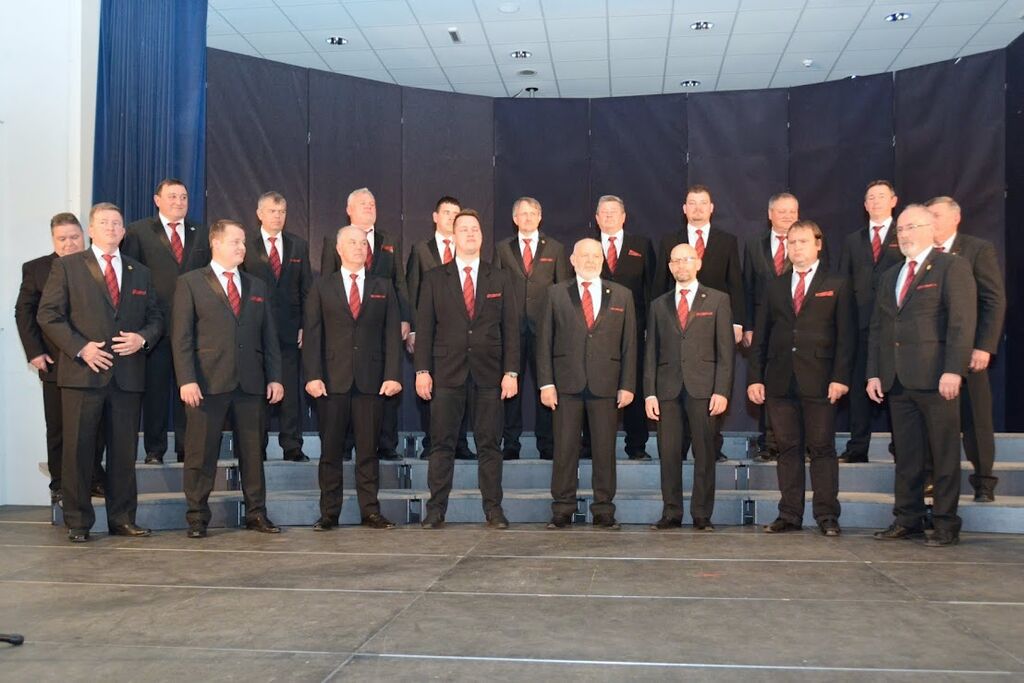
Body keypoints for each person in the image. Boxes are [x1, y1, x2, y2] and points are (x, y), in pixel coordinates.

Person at [37, 203, 163, 542]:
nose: (111, 227)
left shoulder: (140, 272)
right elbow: (48, 315)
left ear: (124, 231)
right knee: (78, 451)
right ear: (91, 230)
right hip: (83, 375)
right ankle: (78, 522)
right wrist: (81, 347)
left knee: (123, 454)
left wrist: (142, 338)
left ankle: (122, 519)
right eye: (104, 222)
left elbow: (156, 318)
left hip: (127, 377)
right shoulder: (67, 267)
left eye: (117, 223)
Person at [868, 205, 976, 547]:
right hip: (897, 380)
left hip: (936, 378)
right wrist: (874, 373)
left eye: (911, 227)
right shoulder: (891, 275)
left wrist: (953, 369)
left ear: (931, 229)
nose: (904, 235)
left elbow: (961, 323)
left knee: (944, 454)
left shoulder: (951, 266)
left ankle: (945, 523)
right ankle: (908, 519)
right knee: (907, 455)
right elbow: (879, 328)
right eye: (900, 230)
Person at [172, 219, 284, 538]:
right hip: (206, 383)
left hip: (250, 383)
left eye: (244, 242)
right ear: (216, 243)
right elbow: (181, 337)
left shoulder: (256, 286)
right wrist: (186, 379)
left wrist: (275, 377)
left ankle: (256, 514)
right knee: (201, 453)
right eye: (235, 241)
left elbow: (269, 337)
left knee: (253, 453)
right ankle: (197, 517)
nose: (242, 247)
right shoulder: (191, 283)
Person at [747, 220, 855, 536]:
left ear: (818, 244)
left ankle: (827, 515)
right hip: (780, 381)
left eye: (803, 241)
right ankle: (789, 514)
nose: (796, 247)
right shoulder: (775, 285)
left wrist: (840, 377)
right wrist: (755, 378)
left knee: (821, 448)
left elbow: (847, 337)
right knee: (787, 448)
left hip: (821, 380)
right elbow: (761, 337)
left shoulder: (837, 283)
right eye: (791, 242)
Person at [414, 209, 519, 529]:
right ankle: (435, 510)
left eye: (475, 229)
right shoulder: (435, 278)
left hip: (489, 375)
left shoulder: (499, 277)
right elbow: (424, 329)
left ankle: (494, 510)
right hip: (447, 373)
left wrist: (511, 372)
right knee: (441, 444)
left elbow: (511, 329)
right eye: (464, 229)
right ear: (453, 236)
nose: (471, 234)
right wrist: (422, 371)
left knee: (490, 445)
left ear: (482, 236)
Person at [303, 226, 402, 530]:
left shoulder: (383, 286)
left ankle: (370, 511)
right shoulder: (322, 286)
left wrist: (392, 375)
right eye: (353, 243)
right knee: (330, 452)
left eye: (363, 243)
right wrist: (313, 376)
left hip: (372, 382)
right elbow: (313, 335)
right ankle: (329, 513)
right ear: (339, 249)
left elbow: (391, 335)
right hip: (332, 383)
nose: (360, 247)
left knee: (368, 451)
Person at [538, 238, 636, 530]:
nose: (590, 260)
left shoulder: (622, 295)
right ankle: (562, 508)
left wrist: (627, 384)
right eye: (584, 255)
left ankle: (603, 509)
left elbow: (630, 344)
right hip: (565, 384)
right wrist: (546, 383)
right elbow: (544, 342)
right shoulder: (555, 294)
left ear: (603, 260)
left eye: (596, 256)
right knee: (565, 449)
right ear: (572, 260)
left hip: (606, 385)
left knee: (605, 451)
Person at [15, 213, 105, 504]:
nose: (69, 244)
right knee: (58, 427)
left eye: (74, 237)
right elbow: (24, 313)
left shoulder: (101, 264)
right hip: (55, 361)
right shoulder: (36, 269)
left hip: (94, 361)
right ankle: (60, 483)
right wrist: (34, 352)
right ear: (53, 240)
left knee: (95, 426)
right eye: (62, 239)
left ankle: (93, 479)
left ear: (84, 235)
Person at [644, 243, 733, 531]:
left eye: (687, 259)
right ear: (670, 267)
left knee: (704, 453)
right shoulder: (658, 305)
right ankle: (671, 512)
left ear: (698, 263)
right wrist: (649, 393)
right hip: (667, 389)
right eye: (676, 261)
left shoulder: (718, 300)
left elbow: (726, 351)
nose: (682, 265)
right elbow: (650, 352)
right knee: (668, 453)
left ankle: (702, 514)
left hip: (704, 389)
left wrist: (721, 390)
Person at [122, 179, 211, 464]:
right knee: (156, 393)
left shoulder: (202, 232)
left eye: (183, 196)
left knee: (191, 391)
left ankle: (187, 449)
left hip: (194, 328)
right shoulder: (137, 231)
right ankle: (155, 450)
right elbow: (130, 277)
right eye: (172, 196)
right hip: (155, 327)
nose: (178, 201)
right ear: (157, 200)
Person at [320, 188, 412, 462]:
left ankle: (386, 444)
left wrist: (405, 318)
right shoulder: (333, 241)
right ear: (349, 210)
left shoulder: (389, 240)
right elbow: (327, 283)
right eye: (363, 204)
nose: (370, 207)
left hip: (383, 324)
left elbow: (399, 282)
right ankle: (346, 445)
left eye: (372, 203)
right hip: (347, 330)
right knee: (348, 385)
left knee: (386, 383)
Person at [654, 184, 744, 462]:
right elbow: (659, 285)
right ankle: (678, 449)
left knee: (710, 388)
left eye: (703, 203)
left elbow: (735, 283)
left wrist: (738, 323)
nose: (697, 208)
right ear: (684, 209)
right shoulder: (670, 240)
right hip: (676, 326)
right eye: (692, 203)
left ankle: (711, 447)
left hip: (714, 327)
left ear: (711, 208)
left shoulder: (726, 241)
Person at [926, 196, 1006, 502]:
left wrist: (984, 346)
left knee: (976, 419)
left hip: (969, 351)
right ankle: (933, 478)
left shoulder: (976, 249)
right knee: (933, 422)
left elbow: (993, 300)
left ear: (955, 218)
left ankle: (984, 481)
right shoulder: (922, 254)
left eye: (936, 215)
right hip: (931, 355)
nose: (930, 221)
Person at [741, 193, 831, 461]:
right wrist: (748, 326)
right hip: (767, 327)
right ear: (770, 215)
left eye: (792, 211)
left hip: (805, 332)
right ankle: (769, 443)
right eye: (781, 211)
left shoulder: (812, 244)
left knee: (801, 386)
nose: (787, 216)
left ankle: (806, 443)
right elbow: (748, 288)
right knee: (770, 384)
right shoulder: (754, 245)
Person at [240, 191, 313, 462]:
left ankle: (292, 445)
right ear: (259, 214)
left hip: (289, 331)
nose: (278, 216)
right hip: (255, 331)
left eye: (282, 212)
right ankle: (256, 447)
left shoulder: (298, 245)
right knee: (257, 391)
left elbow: (307, 289)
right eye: (272, 211)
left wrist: (306, 324)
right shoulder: (245, 244)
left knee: (290, 391)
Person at [404, 195, 475, 460]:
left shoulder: (468, 249)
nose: (451, 217)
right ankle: (432, 441)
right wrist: (413, 331)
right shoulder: (421, 250)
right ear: (435, 217)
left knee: (463, 388)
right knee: (430, 388)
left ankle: (460, 442)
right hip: (430, 333)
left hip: (462, 336)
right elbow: (412, 292)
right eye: (446, 212)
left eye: (456, 214)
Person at [838, 180, 903, 463]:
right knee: (858, 389)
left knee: (898, 388)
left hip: (896, 325)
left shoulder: (904, 234)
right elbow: (843, 283)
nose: (876, 202)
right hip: (860, 325)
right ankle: (857, 447)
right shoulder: (853, 240)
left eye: (881, 196)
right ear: (865, 205)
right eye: (871, 198)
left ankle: (902, 446)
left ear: (894, 201)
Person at [589, 195, 654, 461]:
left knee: (634, 385)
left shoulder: (641, 245)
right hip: (596, 331)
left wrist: (650, 328)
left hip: (634, 330)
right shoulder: (588, 247)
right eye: (603, 212)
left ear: (624, 217)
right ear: (596, 218)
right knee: (594, 386)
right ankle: (590, 444)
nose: (608, 216)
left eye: (613, 212)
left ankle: (636, 445)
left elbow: (651, 289)